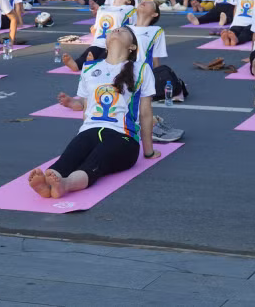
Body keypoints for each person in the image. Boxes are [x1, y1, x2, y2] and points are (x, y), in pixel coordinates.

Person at [28, 26, 159, 199]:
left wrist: (148, 151)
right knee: (69, 157)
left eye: (123, 30)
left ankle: (65, 185)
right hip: (90, 130)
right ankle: (47, 183)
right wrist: (82, 134)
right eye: (113, 30)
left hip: (123, 136)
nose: (116, 30)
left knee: (97, 160)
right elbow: (86, 107)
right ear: (105, 43)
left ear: (132, 47)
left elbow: (145, 113)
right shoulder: (89, 68)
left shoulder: (141, 69)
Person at [62, 0, 136, 71]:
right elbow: (96, 26)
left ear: (128, 1)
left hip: (114, 40)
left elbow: (133, 26)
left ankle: (93, 63)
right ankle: (77, 65)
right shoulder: (103, 8)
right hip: (99, 40)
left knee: (106, 56)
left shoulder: (129, 8)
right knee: (91, 51)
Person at [128, 0, 166, 68]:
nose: (143, 2)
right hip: (126, 72)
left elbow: (155, 58)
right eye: (142, 1)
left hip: (144, 74)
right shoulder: (125, 29)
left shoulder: (157, 31)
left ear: (154, 14)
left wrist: (157, 75)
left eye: (150, 3)